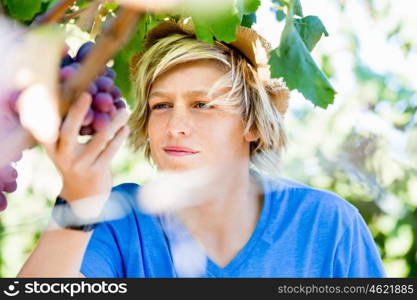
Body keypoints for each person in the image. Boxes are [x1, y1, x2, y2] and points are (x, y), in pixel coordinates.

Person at [18, 19, 386, 278]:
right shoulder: (117, 218)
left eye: (202, 105)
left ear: (253, 124)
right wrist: (78, 200)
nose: (174, 125)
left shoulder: (327, 223)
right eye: (161, 106)